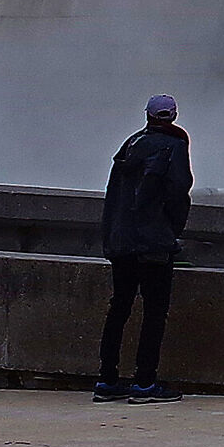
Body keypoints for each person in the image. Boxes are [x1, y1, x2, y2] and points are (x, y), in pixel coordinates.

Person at [96, 94, 193, 403]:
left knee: (119, 308)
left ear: (148, 116)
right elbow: (178, 193)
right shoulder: (174, 146)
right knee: (154, 312)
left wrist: (114, 235)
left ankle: (107, 380)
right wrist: (170, 231)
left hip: (122, 240)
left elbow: (114, 195)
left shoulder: (131, 144)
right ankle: (144, 382)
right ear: (173, 116)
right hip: (153, 242)